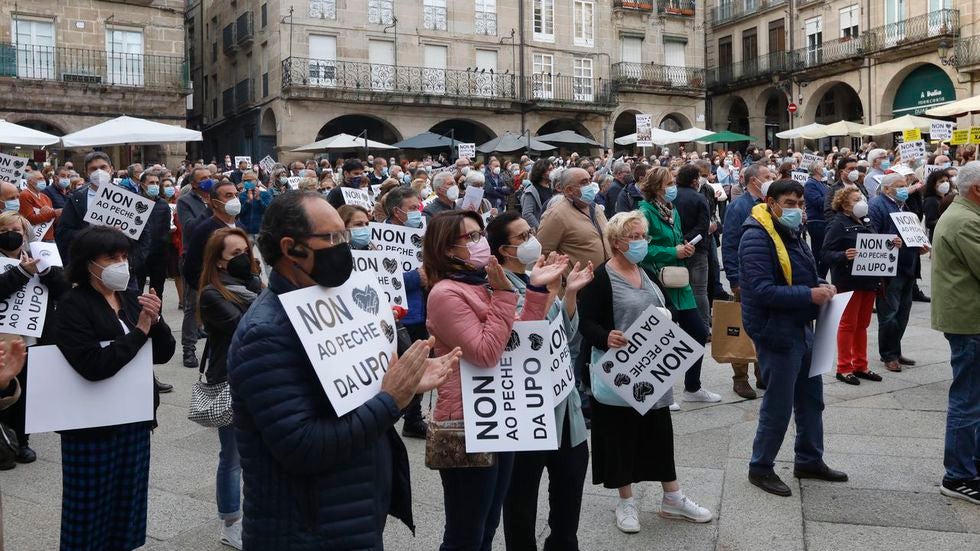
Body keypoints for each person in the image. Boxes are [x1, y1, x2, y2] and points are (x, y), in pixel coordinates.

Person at [227, 191, 454, 548]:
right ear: (292, 248)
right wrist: (391, 400)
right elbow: (302, 446)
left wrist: (406, 380)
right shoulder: (266, 333)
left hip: (350, 510)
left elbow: (356, 398)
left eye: (344, 237)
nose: (344, 246)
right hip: (306, 529)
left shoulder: (337, 300)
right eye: (333, 238)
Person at [424, 209, 562, 551]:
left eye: (479, 233)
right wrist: (503, 295)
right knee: (465, 535)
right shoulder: (446, 294)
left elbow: (520, 337)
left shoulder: (482, 282)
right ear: (446, 249)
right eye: (470, 238)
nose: (480, 242)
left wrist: (535, 288)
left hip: (498, 415)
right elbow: (484, 352)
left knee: (486, 526)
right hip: (467, 423)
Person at [579, 211, 713, 533]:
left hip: (651, 372)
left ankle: (673, 497)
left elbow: (662, 305)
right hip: (618, 373)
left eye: (643, 236)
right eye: (634, 237)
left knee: (658, 433)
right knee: (620, 435)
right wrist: (604, 336)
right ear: (616, 242)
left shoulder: (646, 270)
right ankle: (625, 501)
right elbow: (585, 322)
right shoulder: (601, 277)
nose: (641, 242)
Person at [54, 225, 175, 550]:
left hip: (134, 421)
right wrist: (138, 332)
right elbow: (93, 365)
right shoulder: (72, 305)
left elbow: (162, 353)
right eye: (111, 257)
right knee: (89, 513)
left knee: (127, 507)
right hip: (92, 427)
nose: (121, 263)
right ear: (88, 262)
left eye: (124, 256)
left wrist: (155, 320)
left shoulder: (130, 298)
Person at [488, 211, 595, 550]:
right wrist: (547, 290)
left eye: (530, 231)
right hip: (527, 411)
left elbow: (566, 337)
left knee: (570, 487)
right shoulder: (498, 285)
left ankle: (563, 543)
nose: (532, 239)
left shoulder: (538, 276)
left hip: (566, 407)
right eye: (522, 237)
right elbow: (521, 339)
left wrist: (570, 294)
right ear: (505, 250)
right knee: (520, 498)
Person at [740, 179, 847, 497]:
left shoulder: (792, 232)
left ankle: (809, 459)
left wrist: (820, 284)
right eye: (789, 203)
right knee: (779, 404)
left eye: (800, 204)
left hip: (802, 324)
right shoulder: (756, 236)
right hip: (775, 329)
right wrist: (809, 294)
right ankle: (760, 467)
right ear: (771, 203)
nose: (797, 210)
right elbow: (761, 290)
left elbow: (800, 271)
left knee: (811, 399)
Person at [198, 228, 262, 549]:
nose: (243, 259)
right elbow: (250, 326)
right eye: (234, 254)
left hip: (262, 375)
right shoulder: (212, 293)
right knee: (233, 455)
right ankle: (231, 521)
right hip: (230, 379)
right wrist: (263, 293)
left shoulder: (254, 286)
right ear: (219, 262)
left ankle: (256, 513)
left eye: (246, 252)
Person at [636, 167, 718, 405]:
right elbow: (643, 250)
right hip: (658, 282)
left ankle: (692, 387)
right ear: (657, 187)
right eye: (669, 182)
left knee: (698, 332)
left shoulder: (672, 210)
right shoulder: (644, 212)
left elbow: (676, 237)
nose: (673, 186)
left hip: (679, 281)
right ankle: (661, 392)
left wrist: (685, 246)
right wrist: (674, 250)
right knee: (661, 339)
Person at [931, 160, 980, 504]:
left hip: (970, 318)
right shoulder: (965, 220)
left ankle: (970, 465)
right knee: (968, 400)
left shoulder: (966, 215)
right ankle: (958, 475)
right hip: (970, 321)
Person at [821, 188, 889, 385]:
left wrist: (890, 244)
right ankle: (844, 367)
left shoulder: (866, 220)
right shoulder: (838, 224)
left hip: (869, 281)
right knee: (848, 324)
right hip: (848, 281)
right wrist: (843, 255)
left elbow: (876, 243)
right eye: (856, 199)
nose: (861, 202)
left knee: (862, 325)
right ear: (844, 205)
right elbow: (825, 253)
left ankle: (861, 365)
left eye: (861, 198)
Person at [869, 173, 928, 372]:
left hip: (908, 266)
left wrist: (920, 244)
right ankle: (888, 354)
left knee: (903, 313)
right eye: (900, 185)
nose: (905, 188)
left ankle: (896, 349)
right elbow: (871, 234)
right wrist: (891, 240)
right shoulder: (877, 205)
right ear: (887, 189)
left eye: (906, 184)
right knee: (889, 314)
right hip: (890, 268)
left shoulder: (903, 205)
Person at [720, 163, 769, 399]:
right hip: (745, 278)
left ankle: (762, 373)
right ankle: (740, 378)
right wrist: (734, 278)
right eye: (767, 176)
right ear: (753, 181)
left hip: (767, 278)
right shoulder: (739, 207)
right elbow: (729, 244)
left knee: (764, 327)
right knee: (740, 327)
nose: (772, 179)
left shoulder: (770, 203)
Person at [182, 180, 245, 353]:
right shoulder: (205, 229)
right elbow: (191, 267)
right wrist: (208, 288)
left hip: (238, 290)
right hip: (215, 292)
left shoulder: (240, 227)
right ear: (214, 202)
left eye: (235, 195)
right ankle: (189, 349)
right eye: (228, 196)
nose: (234, 200)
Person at [176, 166, 213, 367]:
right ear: (194, 184)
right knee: (192, 306)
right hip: (194, 258)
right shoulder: (185, 201)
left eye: (210, 177)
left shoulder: (217, 197)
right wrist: (209, 209)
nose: (208, 181)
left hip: (215, 256)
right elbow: (190, 228)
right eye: (203, 178)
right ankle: (188, 350)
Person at [672, 164, 711, 329]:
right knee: (699, 291)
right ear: (694, 180)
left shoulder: (671, 197)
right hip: (697, 250)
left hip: (675, 249)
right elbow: (703, 226)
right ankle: (703, 325)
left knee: (676, 289)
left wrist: (680, 241)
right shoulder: (699, 198)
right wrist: (688, 240)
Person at [136, 169, 171, 299]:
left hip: (158, 254)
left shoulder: (163, 205)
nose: (155, 185)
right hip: (139, 253)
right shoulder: (135, 202)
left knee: (157, 290)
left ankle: (157, 317)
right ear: (143, 184)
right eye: (151, 182)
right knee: (137, 289)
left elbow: (165, 229)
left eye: (157, 183)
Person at [803, 162, 829, 277]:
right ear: (816, 169)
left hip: (824, 221)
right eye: (821, 167)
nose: (823, 169)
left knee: (824, 252)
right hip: (817, 222)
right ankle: (818, 277)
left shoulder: (821, 183)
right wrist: (831, 198)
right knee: (819, 252)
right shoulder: (810, 184)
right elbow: (817, 202)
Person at [19, 172, 58, 241]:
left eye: (43, 178)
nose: (43, 181)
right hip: (36, 238)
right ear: (30, 181)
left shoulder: (46, 197)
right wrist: (53, 213)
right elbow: (30, 219)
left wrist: (54, 214)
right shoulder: (25, 195)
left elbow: (51, 219)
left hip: (50, 237)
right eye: (40, 179)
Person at [520, 158, 554, 229]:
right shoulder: (532, 191)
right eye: (550, 170)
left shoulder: (552, 187)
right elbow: (527, 214)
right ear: (542, 173)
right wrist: (540, 228)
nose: (553, 171)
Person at [923, 168, 952, 243]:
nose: (946, 183)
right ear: (933, 185)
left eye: (947, 181)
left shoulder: (947, 198)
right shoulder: (931, 201)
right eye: (942, 181)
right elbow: (930, 222)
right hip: (938, 238)